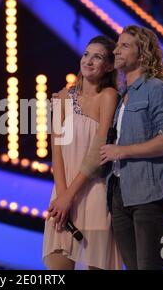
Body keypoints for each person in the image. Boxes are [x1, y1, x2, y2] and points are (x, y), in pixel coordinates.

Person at [100, 25, 163, 270]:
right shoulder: (123, 95)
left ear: (143, 52)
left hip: (150, 195)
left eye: (124, 45)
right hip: (119, 194)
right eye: (117, 45)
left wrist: (122, 151)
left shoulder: (157, 89)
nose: (116, 50)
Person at [43, 36, 122, 270]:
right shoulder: (63, 97)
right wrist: (62, 195)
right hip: (62, 193)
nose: (88, 60)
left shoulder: (108, 96)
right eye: (86, 54)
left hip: (94, 194)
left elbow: (98, 150)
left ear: (108, 66)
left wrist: (69, 197)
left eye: (97, 56)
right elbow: (55, 152)